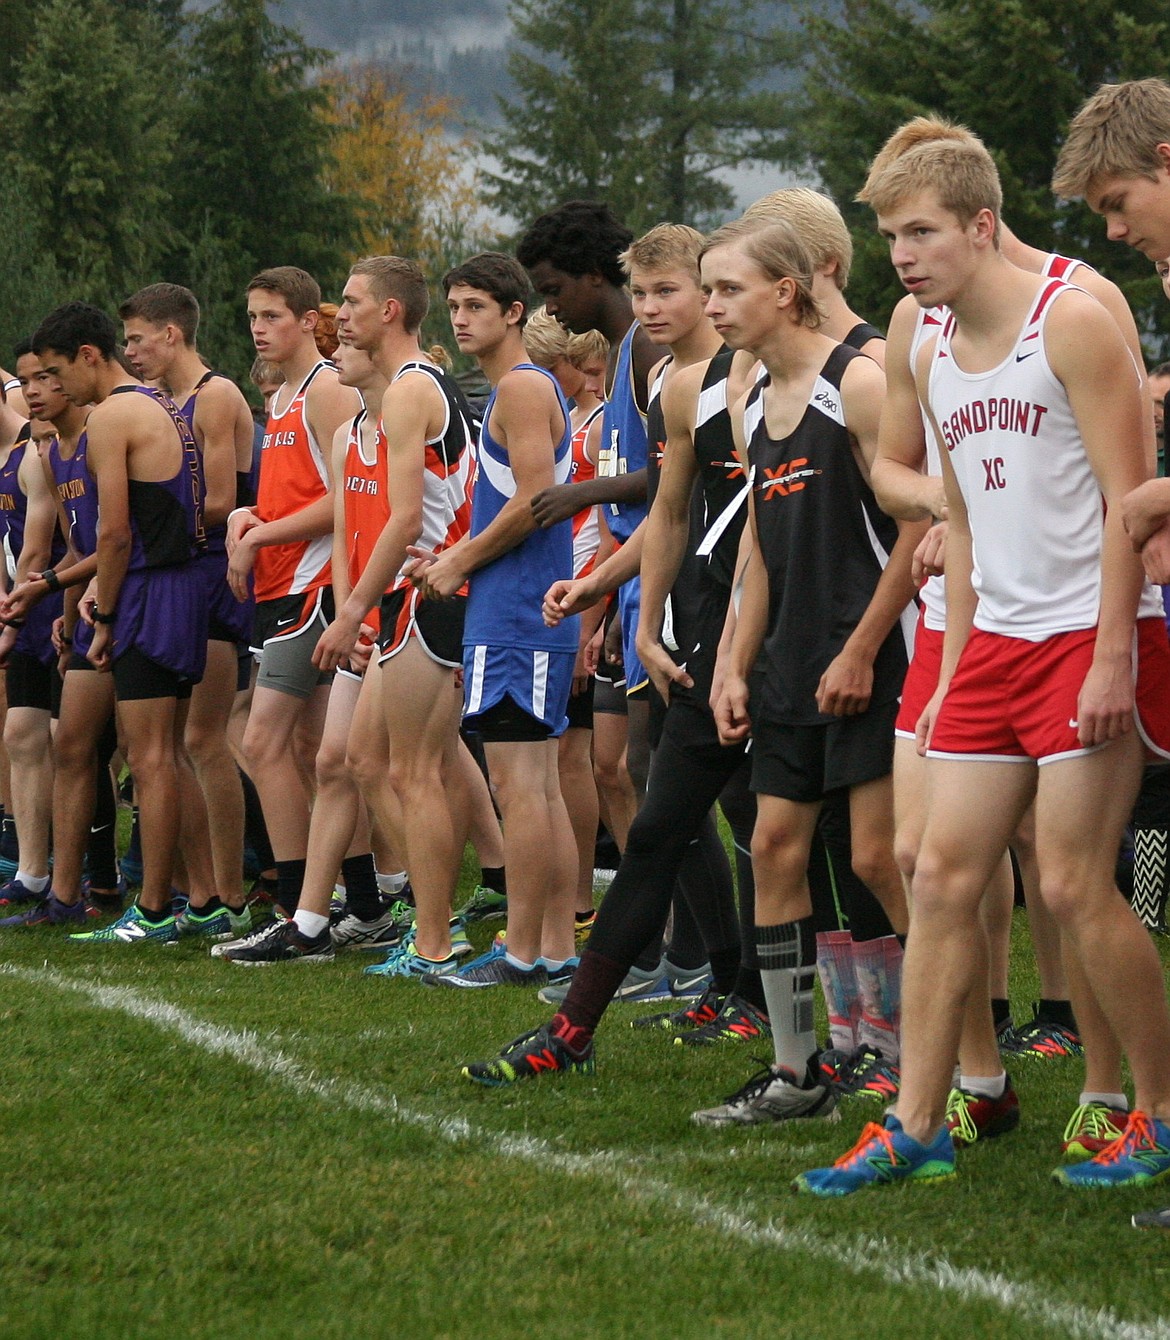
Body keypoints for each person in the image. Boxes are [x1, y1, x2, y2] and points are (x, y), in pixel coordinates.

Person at [796, 134, 1170, 1196]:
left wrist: (1110, 659)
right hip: (992, 643)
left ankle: (1155, 1107)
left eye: (921, 233)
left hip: (1086, 638)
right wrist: (956, 664)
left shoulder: (1078, 322)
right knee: (937, 869)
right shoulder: (925, 347)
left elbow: (1128, 505)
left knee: (1067, 879)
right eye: (890, 237)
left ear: (979, 225)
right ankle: (920, 1119)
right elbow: (955, 513)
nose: (903, 258)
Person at [693, 218, 916, 1125]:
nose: (713, 306)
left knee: (878, 859)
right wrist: (733, 665)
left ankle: (926, 1055)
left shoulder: (855, 384)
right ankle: (799, 1073)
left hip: (864, 657)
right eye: (708, 289)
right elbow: (757, 542)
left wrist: (862, 649)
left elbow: (914, 529)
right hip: (786, 667)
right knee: (774, 849)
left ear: (786, 290)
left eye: (728, 289)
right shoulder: (753, 400)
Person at [407, 252, 578, 986]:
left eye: (476, 305)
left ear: (515, 313)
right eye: (454, 306)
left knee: (522, 788)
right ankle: (555, 948)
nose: (461, 318)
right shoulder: (513, 389)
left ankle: (523, 952)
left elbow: (534, 501)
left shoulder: (521, 387)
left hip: (518, 612)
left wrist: (458, 562)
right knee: (536, 784)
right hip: (515, 612)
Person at [310, 255, 482, 977]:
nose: (340, 316)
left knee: (414, 772)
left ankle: (436, 941)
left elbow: (408, 518)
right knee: (366, 760)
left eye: (352, 302)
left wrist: (351, 611)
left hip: (432, 595)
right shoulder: (408, 391)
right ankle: (431, 922)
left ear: (390, 312)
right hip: (417, 593)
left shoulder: (413, 390)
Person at [31, 301, 210, 943]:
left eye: (56, 371)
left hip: (153, 591)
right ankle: (194, 896)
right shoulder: (153, 404)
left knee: (152, 756)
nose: (54, 387)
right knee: (152, 752)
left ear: (87, 356)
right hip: (165, 585)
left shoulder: (114, 413)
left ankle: (158, 907)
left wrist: (102, 614)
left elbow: (113, 534)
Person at [119, 282, 255, 936]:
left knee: (205, 739)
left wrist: (141, 518)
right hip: (177, 572)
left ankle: (229, 893)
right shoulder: (159, 404)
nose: (131, 352)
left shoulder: (217, 395)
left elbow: (224, 500)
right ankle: (200, 893)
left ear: (172, 334)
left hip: (209, 576)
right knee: (170, 746)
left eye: (138, 338)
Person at [227, 267, 359, 919]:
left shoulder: (327, 390)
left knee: (260, 741)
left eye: (271, 316)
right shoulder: (278, 398)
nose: (258, 329)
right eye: (252, 316)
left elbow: (347, 504)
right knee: (317, 754)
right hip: (282, 584)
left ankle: (295, 902)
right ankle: (360, 902)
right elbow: (291, 496)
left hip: (316, 586)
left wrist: (262, 532)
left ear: (309, 322)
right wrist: (245, 521)